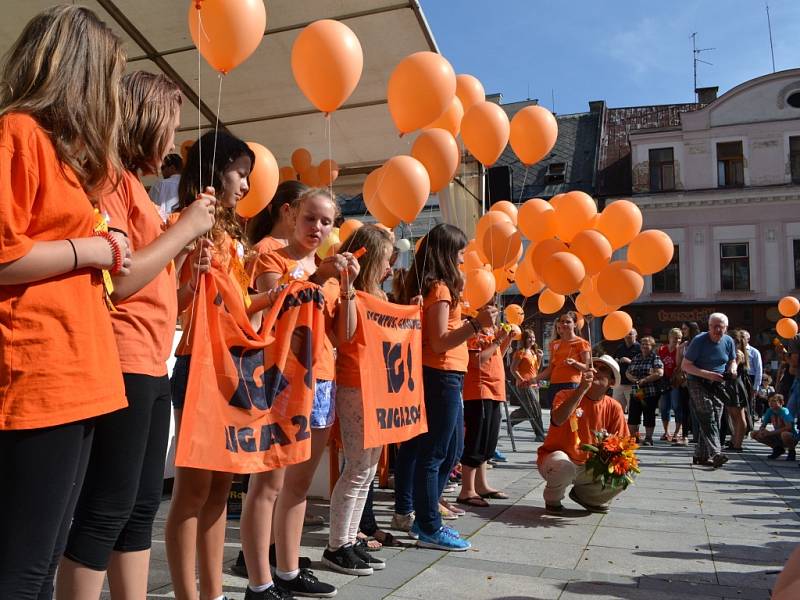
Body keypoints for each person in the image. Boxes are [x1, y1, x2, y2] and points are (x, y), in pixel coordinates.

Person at [57, 72, 215, 600]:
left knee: (141, 507)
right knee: (105, 510)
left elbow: (155, 291)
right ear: (146, 122)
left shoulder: (137, 190)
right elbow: (121, 280)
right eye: (169, 128)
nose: (173, 144)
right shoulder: (108, 181)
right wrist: (184, 230)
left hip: (149, 363)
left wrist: (187, 265)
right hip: (122, 361)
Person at [0, 7, 132, 599]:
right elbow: (4, 255)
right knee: (25, 569)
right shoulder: (18, 133)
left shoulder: (63, 154)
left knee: (45, 557)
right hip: (40, 374)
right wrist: (95, 249)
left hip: (77, 374)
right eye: (107, 77)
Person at [166, 131, 280, 600]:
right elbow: (168, 304)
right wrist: (192, 276)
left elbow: (234, 304)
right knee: (192, 494)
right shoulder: (179, 223)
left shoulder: (232, 236)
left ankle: (212, 593)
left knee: (219, 494)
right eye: (239, 173)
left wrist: (269, 298)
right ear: (213, 170)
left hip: (233, 370)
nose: (246, 185)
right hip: (197, 368)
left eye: (249, 176)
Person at [242, 187, 358, 599]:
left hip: (322, 379)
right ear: (292, 216)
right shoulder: (271, 254)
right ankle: (259, 582)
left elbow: (344, 334)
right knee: (268, 483)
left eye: (326, 221)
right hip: (280, 379)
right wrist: (320, 275)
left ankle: (288, 571)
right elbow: (278, 308)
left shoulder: (326, 267)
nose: (318, 227)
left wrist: (345, 287)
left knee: (298, 484)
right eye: (311, 218)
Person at [393, 223, 497, 551]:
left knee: (446, 450)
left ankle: (425, 515)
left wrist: (470, 327)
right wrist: (476, 324)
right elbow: (438, 343)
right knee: (435, 452)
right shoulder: (439, 289)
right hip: (440, 373)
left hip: (447, 373)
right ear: (446, 254)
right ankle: (428, 524)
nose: (464, 259)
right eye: (460, 253)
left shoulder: (440, 288)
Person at [322, 225, 393, 576]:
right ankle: (337, 545)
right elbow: (345, 336)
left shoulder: (376, 294)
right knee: (356, 469)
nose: (389, 268)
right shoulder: (347, 291)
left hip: (377, 388)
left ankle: (349, 539)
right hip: (354, 386)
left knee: (366, 471)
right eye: (384, 260)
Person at [537, 356, 630, 514]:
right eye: (594, 367)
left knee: (626, 469)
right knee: (563, 466)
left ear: (612, 382)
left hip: (589, 465)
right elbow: (558, 420)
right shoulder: (565, 394)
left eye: (603, 370)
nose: (596, 371)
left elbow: (622, 444)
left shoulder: (614, 407)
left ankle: (587, 498)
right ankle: (553, 499)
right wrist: (581, 389)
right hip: (560, 460)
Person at [456, 322, 513, 508]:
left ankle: (481, 485)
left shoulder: (490, 330)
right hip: (479, 390)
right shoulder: (473, 328)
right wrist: (497, 340)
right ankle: (467, 490)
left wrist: (506, 340)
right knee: (476, 439)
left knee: (488, 441)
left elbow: (495, 357)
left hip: (495, 389)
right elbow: (477, 361)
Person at [681, 313, 737, 468]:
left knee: (715, 419)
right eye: (714, 326)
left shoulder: (728, 341)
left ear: (726, 328)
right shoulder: (699, 340)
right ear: (709, 327)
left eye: (721, 327)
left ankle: (700, 455)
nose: (717, 330)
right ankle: (716, 453)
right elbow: (685, 365)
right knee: (707, 416)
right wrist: (708, 374)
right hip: (697, 381)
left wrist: (733, 368)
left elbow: (733, 359)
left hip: (718, 384)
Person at [533, 311, 592, 408]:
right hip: (554, 384)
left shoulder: (581, 343)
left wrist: (575, 363)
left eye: (568, 322)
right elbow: (549, 369)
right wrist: (533, 380)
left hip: (571, 384)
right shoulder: (554, 344)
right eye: (562, 321)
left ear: (575, 324)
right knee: (555, 416)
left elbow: (588, 367)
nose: (564, 324)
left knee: (571, 416)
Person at [626, 336, 665, 446]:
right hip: (636, 391)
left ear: (652, 346)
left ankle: (648, 438)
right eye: (642, 344)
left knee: (648, 414)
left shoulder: (655, 358)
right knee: (633, 414)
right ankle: (633, 438)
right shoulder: (636, 357)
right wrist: (632, 379)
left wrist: (645, 380)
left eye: (647, 344)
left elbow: (659, 373)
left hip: (649, 391)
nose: (644, 346)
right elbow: (628, 372)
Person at [510, 328, 546, 441]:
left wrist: (539, 359)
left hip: (534, 383)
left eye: (533, 337)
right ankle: (539, 434)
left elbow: (536, 369)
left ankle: (512, 418)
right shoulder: (520, 352)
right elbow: (513, 369)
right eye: (529, 337)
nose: (532, 339)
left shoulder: (534, 352)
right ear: (524, 339)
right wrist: (520, 379)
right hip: (524, 384)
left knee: (531, 409)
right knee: (534, 409)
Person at [674, 321, 701, 446]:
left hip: (698, 380)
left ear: (691, 329)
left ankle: (699, 436)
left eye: (685, 329)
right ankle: (685, 436)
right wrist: (679, 349)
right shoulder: (685, 345)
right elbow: (678, 364)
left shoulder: (700, 342)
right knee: (684, 408)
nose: (683, 331)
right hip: (685, 380)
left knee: (699, 409)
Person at [751, 394, 797, 460]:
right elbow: (763, 425)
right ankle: (778, 448)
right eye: (769, 401)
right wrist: (762, 430)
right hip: (777, 435)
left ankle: (791, 451)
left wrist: (770, 433)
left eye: (774, 401)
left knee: (785, 434)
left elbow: (789, 427)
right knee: (754, 434)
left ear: (781, 402)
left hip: (790, 437)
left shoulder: (784, 411)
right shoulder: (769, 411)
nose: (771, 403)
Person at [658, 328, 683, 442]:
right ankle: (666, 432)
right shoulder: (662, 349)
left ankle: (677, 432)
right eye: (675, 337)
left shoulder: (680, 350)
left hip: (675, 381)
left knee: (677, 405)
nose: (677, 340)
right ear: (669, 337)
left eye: (679, 338)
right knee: (664, 407)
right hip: (664, 380)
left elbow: (680, 366)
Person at [612, 328, 641, 412]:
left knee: (634, 412)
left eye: (630, 334)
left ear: (636, 336)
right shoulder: (620, 347)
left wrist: (629, 361)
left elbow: (644, 365)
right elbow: (614, 359)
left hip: (634, 385)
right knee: (616, 411)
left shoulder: (640, 348)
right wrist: (615, 360)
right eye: (626, 334)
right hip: (619, 383)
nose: (628, 336)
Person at [148, 152, 183, 220]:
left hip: (161, 224)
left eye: (163, 167)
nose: (161, 172)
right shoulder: (188, 185)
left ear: (172, 168)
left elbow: (150, 206)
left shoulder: (161, 183)